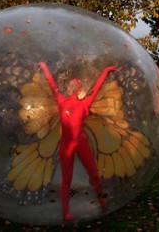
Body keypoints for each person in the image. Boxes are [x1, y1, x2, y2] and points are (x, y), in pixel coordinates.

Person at [38, 62, 117, 221]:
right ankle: (65, 211)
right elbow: (52, 83)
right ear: (67, 88)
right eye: (70, 85)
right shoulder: (61, 101)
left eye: (75, 85)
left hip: (81, 144)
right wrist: (45, 67)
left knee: (94, 174)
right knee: (67, 178)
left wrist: (106, 71)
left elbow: (96, 88)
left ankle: (101, 200)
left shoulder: (84, 104)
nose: (72, 87)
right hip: (67, 146)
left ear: (79, 89)